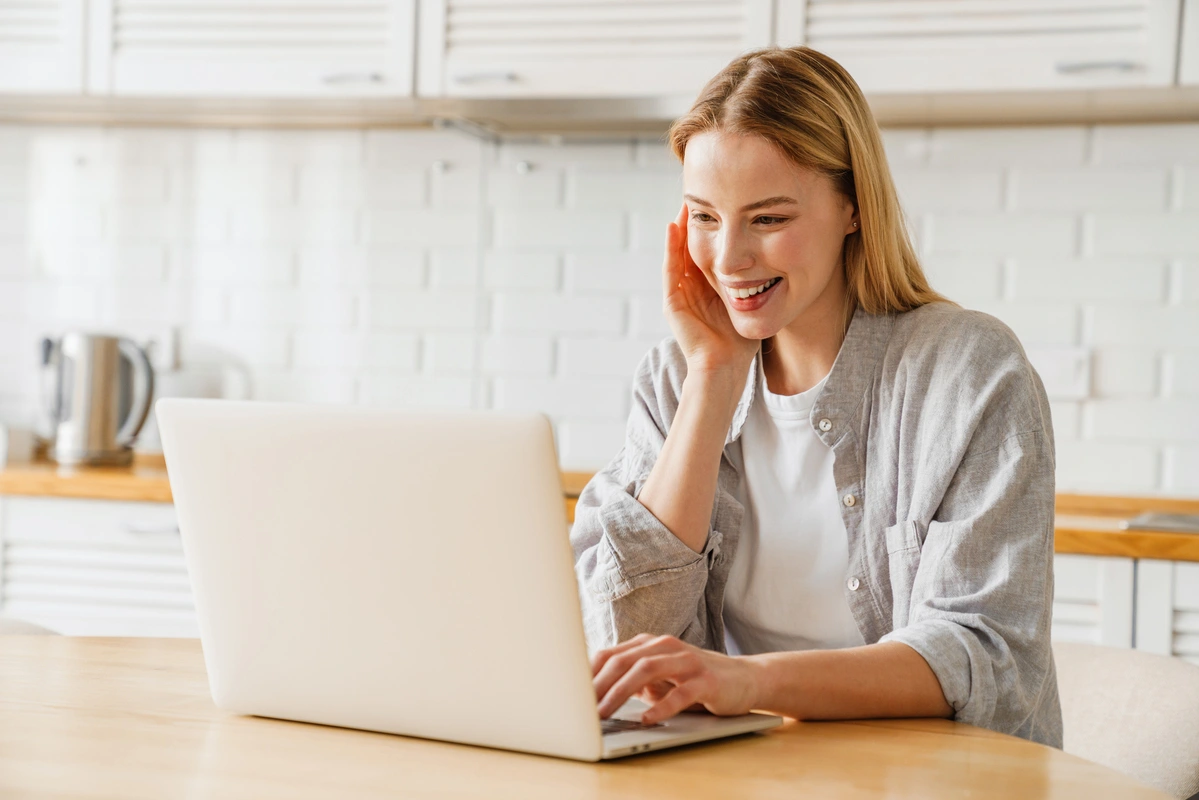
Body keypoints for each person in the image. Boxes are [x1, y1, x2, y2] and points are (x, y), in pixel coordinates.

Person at [570, 46, 1063, 748]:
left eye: (767, 219)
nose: (729, 258)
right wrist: (712, 379)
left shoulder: (966, 370)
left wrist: (749, 681)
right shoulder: (675, 378)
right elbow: (632, 649)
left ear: (851, 207)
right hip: (741, 776)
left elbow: (981, 653)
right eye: (703, 217)